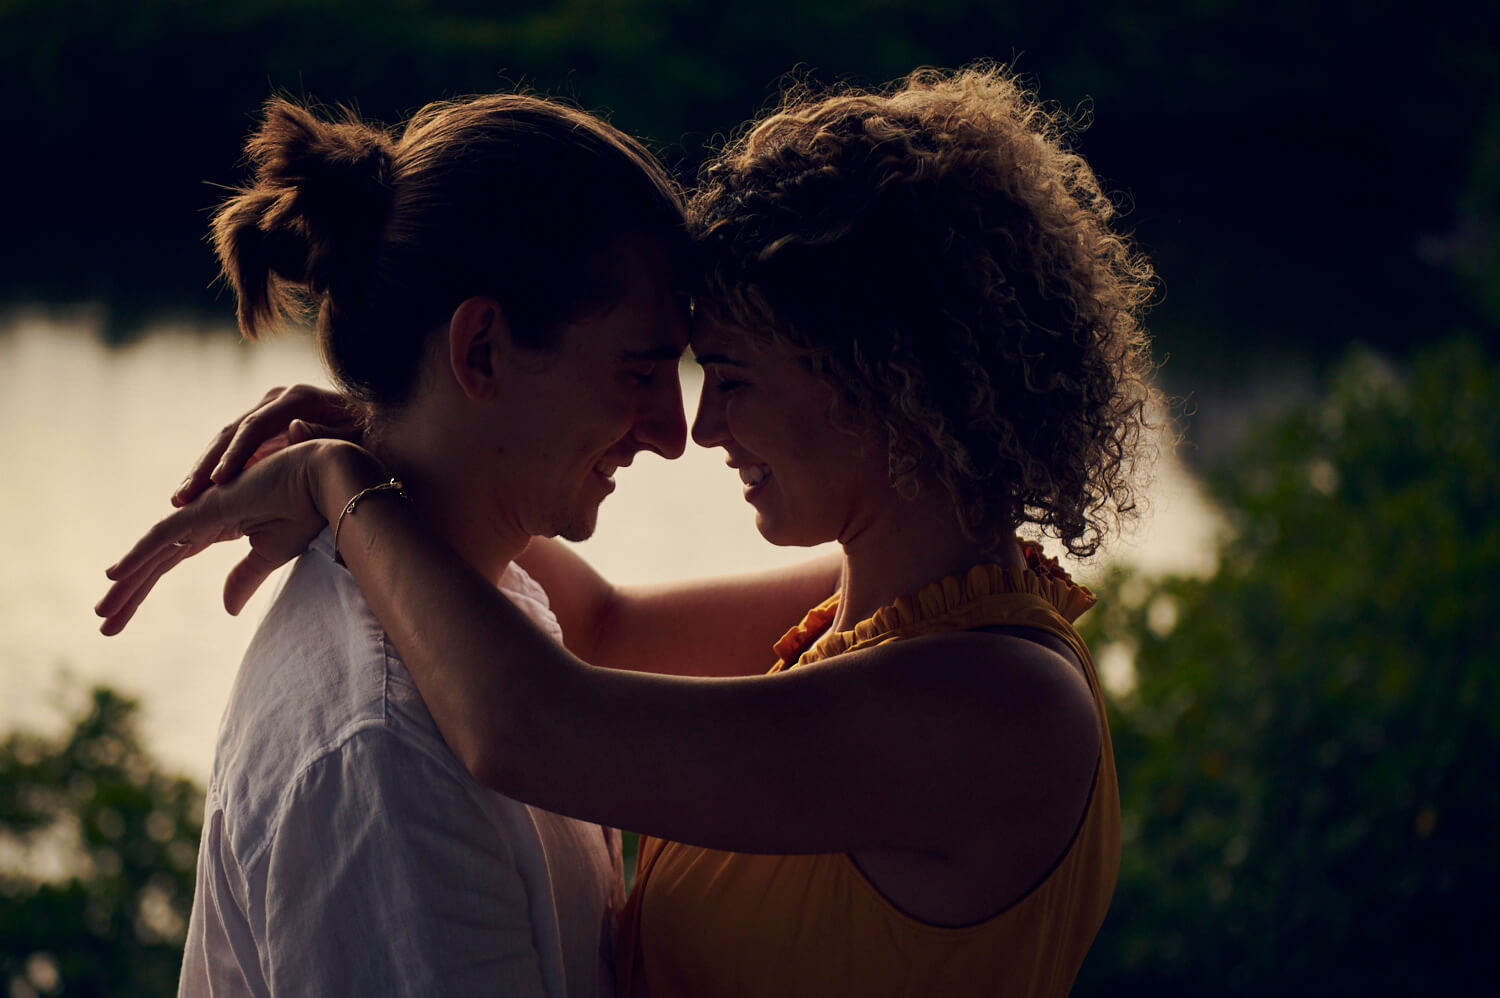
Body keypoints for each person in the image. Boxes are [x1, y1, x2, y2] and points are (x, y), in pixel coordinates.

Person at [101, 66, 1158, 996]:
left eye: (728, 377)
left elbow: (530, 721)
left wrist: (344, 481)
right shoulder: (895, 611)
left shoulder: (998, 707)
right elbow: (596, 625)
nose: (695, 427)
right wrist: (395, 440)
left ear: (889, 383)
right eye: (662, 372)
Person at [117, 91, 839, 997]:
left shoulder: (472, 594)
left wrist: (356, 463)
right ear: (483, 351)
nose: (672, 430)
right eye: (639, 372)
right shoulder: (383, 759)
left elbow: (609, 627)